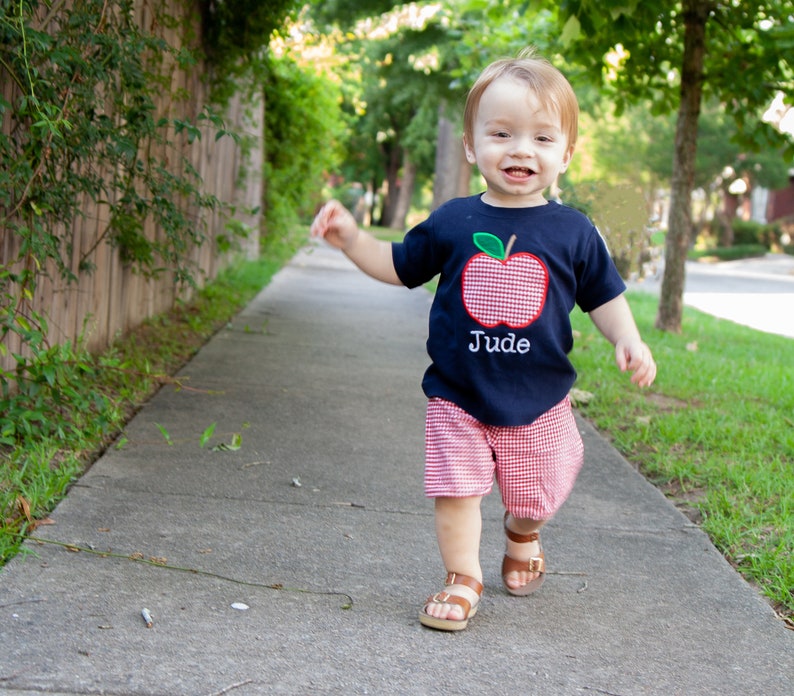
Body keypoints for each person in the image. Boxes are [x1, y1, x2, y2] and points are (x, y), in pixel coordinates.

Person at [310, 48, 657, 632]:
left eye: (543, 139)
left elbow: (603, 295)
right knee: (456, 489)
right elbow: (399, 266)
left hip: (539, 398)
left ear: (565, 154)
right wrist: (351, 241)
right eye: (502, 133)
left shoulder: (574, 231)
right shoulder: (452, 221)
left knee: (533, 499)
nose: (521, 149)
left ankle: (523, 534)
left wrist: (629, 337)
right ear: (472, 145)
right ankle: (462, 577)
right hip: (458, 394)